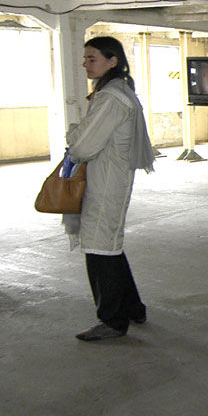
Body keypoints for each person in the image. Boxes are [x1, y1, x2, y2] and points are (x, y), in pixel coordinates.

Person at [66, 36, 154, 341]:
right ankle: (133, 308)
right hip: (111, 179)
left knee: (99, 248)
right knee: (110, 245)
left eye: (92, 58)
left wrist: (72, 135)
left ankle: (113, 319)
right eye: (85, 58)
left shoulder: (111, 98)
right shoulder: (117, 92)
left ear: (112, 61)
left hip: (105, 183)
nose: (85, 64)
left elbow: (82, 146)